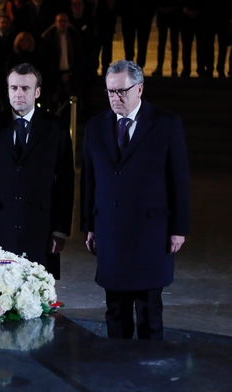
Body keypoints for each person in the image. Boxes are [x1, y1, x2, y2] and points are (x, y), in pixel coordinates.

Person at [82, 60, 191, 340]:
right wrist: (89, 225)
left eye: (122, 91)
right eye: (110, 92)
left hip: (150, 233)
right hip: (111, 230)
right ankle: (116, 370)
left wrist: (179, 228)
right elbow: (89, 181)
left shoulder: (166, 123)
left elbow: (178, 179)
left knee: (149, 313)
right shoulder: (96, 126)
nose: (116, 98)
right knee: (115, 312)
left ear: (139, 89)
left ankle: (149, 372)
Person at [0, 63, 75, 279]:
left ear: (37, 92)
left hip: (40, 228)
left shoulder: (56, 129)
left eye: (25, 88)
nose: (18, 94)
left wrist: (60, 229)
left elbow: (65, 181)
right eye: (13, 88)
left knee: (37, 295)